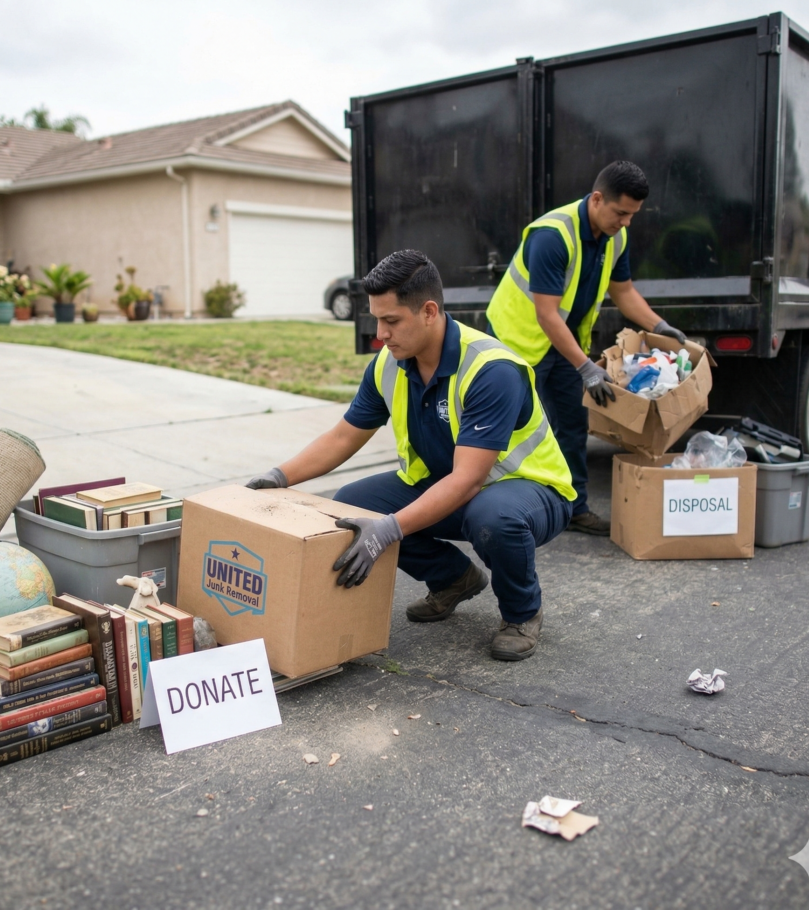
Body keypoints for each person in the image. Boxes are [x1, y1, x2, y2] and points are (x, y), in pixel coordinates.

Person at [246, 250, 575, 662]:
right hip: (450, 485)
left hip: (527, 492)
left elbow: (470, 479)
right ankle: (454, 579)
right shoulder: (390, 363)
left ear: (429, 312)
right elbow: (344, 436)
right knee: (348, 506)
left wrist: (389, 529)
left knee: (492, 518)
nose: (380, 333)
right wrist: (279, 477)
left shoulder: (491, 369)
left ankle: (521, 613)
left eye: (391, 320)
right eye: (376, 319)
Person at [485, 161, 687, 536]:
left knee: (574, 424)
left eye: (633, 215)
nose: (626, 222)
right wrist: (587, 367)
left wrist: (658, 325)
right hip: (515, 343)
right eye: (621, 213)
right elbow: (546, 314)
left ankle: (574, 509)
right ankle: (503, 511)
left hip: (562, 344)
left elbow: (623, 292)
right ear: (597, 199)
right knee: (514, 430)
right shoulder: (553, 235)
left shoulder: (616, 237)